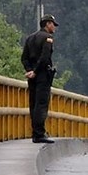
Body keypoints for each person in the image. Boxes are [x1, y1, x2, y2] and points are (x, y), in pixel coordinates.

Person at [21, 13, 59, 143]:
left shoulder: (30, 38)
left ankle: (35, 132)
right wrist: (36, 71)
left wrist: (30, 71)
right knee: (41, 104)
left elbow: (24, 57)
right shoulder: (47, 38)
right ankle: (39, 133)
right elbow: (44, 57)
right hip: (42, 75)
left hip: (32, 76)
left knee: (33, 103)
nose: (54, 27)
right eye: (53, 25)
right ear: (48, 24)